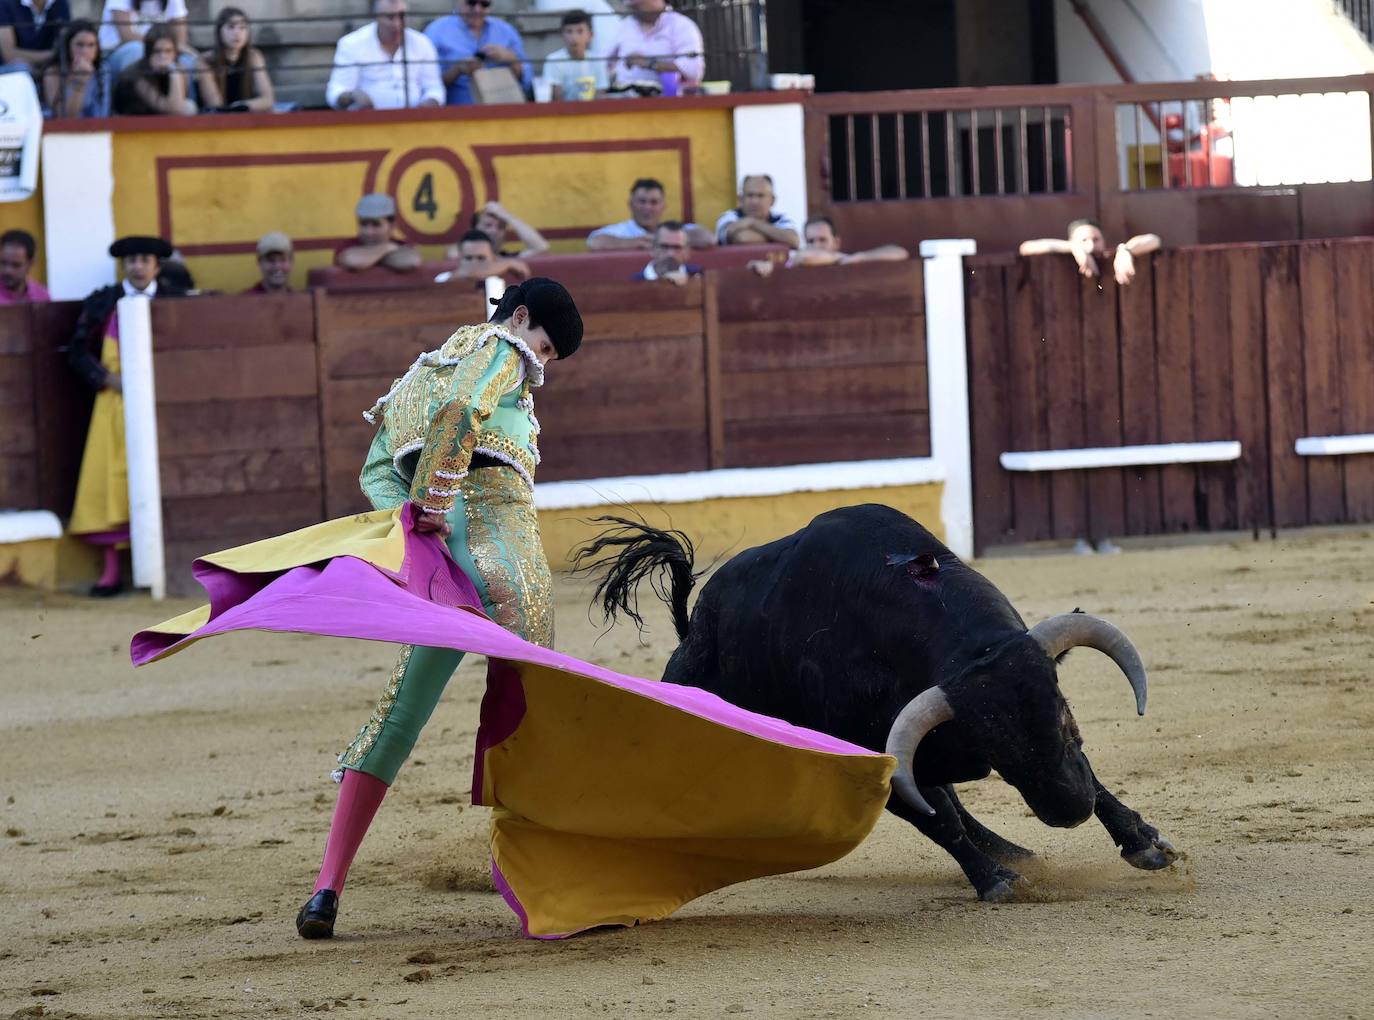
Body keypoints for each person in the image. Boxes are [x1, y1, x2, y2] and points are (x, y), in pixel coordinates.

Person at [291, 278, 582, 939]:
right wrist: (441, 498)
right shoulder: (500, 348)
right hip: (503, 558)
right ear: (524, 318)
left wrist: (419, 534)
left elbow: (377, 473)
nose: (541, 367)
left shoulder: (412, 379)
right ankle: (543, 881)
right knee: (535, 712)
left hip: (442, 568)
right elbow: (460, 414)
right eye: (546, 347)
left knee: (398, 716)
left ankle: (326, 889)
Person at [66, 235, 186, 596]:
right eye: (131, 260)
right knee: (110, 485)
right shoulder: (103, 302)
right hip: (112, 404)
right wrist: (105, 377)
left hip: (162, 404)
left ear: (157, 266)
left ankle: (164, 566)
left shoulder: (173, 300)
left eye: (144, 259)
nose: (137, 265)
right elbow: (76, 351)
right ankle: (112, 570)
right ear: (123, 265)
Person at [325, 0, 443, 111]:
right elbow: (336, 90)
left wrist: (430, 102)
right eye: (390, 17)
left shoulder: (422, 42)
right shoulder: (352, 43)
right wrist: (353, 96)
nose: (397, 24)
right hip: (367, 123)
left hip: (416, 123)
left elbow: (434, 88)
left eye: (402, 16)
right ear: (376, 16)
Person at [424, 0, 531, 106]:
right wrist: (457, 70)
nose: (477, 9)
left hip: (503, 111)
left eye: (485, 4)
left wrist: (510, 58)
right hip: (456, 114)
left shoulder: (506, 31)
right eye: (471, 3)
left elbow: (527, 81)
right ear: (458, 2)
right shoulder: (436, 31)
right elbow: (427, 87)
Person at [748, 215, 909, 276]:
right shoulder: (797, 258)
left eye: (822, 240)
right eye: (811, 241)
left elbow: (900, 253)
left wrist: (861, 257)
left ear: (836, 242)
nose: (816, 245)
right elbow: (805, 258)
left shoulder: (849, 259)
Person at [1018, 219, 1161, 286]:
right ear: (1072, 241)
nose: (1091, 245)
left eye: (1096, 239)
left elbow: (1154, 240)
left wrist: (1126, 250)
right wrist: (1074, 248)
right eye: (1084, 240)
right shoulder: (1071, 251)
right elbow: (1026, 247)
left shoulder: (1115, 255)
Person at [586, 177, 712, 251]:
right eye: (642, 201)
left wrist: (664, 239)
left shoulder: (674, 229)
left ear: (663, 206)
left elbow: (708, 238)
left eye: (654, 202)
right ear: (631, 204)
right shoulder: (621, 230)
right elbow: (594, 242)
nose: (647, 207)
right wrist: (634, 243)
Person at [606, 0, 703, 92]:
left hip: (669, 100)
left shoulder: (682, 25)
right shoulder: (623, 25)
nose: (633, 6)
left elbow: (692, 71)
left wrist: (649, 63)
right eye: (632, 4)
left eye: (639, 4)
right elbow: (605, 64)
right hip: (625, 98)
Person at [194, 6, 274, 113]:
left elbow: (268, 99)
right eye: (231, 27)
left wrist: (242, 105)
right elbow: (215, 105)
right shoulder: (205, 60)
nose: (237, 33)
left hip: (246, 116)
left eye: (242, 27)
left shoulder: (254, 56)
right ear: (219, 31)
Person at [112, 22, 195, 116]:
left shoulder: (179, 69)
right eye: (157, 51)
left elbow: (179, 106)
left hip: (163, 120)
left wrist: (175, 75)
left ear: (175, 53)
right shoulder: (136, 76)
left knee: (189, 107)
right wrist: (174, 75)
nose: (163, 56)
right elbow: (173, 109)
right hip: (133, 123)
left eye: (168, 51)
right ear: (149, 53)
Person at [98, 0, 191, 78]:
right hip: (113, 52)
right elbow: (127, 36)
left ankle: (186, 99)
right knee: (136, 50)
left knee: (186, 60)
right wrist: (159, 49)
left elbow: (180, 41)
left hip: (158, 50)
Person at [334, 193, 422, 274]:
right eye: (363, 224)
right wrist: (387, 248)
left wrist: (369, 258)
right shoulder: (347, 245)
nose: (368, 232)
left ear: (392, 226)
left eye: (376, 225)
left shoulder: (403, 244)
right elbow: (351, 260)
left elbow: (411, 261)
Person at [42, 19, 112, 119]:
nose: (85, 51)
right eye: (80, 45)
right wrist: (80, 82)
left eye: (91, 45)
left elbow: (103, 112)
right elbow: (63, 116)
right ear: (68, 46)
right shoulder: (54, 71)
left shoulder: (103, 69)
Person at [714, 174, 800, 249]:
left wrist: (752, 222)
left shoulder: (780, 218)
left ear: (772, 200)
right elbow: (743, 238)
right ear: (740, 199)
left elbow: (794, 240)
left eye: (760, 196)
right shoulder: (729, 216)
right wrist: (779, 238)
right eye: (750, 195)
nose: (755, 201)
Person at [448, 200, 548, 259]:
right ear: (474, 230)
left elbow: (541, 248)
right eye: (487, 225)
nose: (494, 231)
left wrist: (507, 216)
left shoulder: (508, 259)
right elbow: (453, 255)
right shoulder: (464, 257)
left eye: (500, 227)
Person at [543, 9, 607, 102]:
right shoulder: (553, 60)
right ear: (562, 35)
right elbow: (557, 99)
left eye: (580, 31)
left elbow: (601, 97)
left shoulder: (598, 61)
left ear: (590, 35)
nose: (574, 37)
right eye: (569, 31)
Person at [439, 229, 531, 285]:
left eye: (481, 258)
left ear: (494, 258)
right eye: (468, 258)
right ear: (459, 259)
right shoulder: (443, 278)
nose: (474, 263)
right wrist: (508, 264)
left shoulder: (499, 281)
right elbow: (470, 273)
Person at [0, 0, 72, 71]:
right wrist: (53, 56)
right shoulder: (5, 4)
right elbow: (9, 55)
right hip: (12, 71)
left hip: (46, 68)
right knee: (21, 68)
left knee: (55, 72)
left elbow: (65, 46)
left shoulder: (60, 4)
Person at [633, 221, 700, 285]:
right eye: (664, 247)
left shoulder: (699, 277)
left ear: (687, 252)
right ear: (653, 249)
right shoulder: (633, 284)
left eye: (677, 247)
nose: (671, 254)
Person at [0, 229, 49, 304]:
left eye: (16, 265)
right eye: (3, 263)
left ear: (30, 264)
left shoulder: (41, 296)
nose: (8, 270)